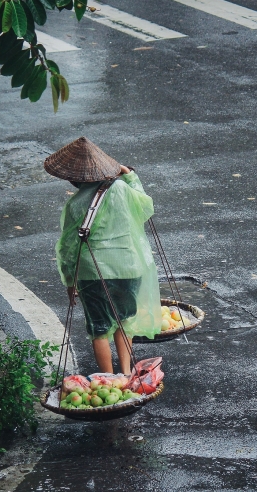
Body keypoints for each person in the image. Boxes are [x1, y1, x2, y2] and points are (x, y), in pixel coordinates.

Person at [45, 137, 162, 375]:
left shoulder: (75, 205)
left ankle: (108, 380)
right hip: (127, 266)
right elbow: (146, 208)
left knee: (99, 328)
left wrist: (70, 281)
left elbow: (68, 248)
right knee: (125, 321)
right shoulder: (122, 189)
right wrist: (130, 176)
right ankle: (127, 374)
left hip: (91, 271)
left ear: (73, 178)